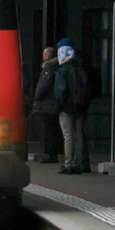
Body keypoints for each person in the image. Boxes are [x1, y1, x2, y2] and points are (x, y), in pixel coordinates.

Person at [53, 37, 91, 174]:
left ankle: (68, 164)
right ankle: (78, 164)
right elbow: (87, 89)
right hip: (80, 108)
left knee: (68, 136)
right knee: (78, 135)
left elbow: (60, 91)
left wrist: (58, 106)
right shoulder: (81, 69)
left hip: (66, 109)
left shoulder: (62, 71)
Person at [31, 47, 62, 163]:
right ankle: (53, 153)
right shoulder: (58, 67)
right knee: (53, 130)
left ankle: (50, 154)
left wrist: (36, 98)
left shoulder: (48, 69)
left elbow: (42, 87)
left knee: (48, 131)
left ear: (48, 56)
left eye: (45, 54)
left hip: (47, 105)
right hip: (54, 105)